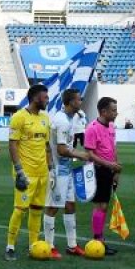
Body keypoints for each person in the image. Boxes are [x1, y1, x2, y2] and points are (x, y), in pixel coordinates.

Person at [6, 84, 52, 260]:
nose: (47, 100)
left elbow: (46, 146)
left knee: (37, 209)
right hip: (25, 173)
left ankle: (34, 245)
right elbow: (12, 144)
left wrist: (51, 168)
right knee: (20, 210)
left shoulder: (45, 118)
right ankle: (10, 246)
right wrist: (19, 171)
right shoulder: (18, 117)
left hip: (42, 173)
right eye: (45, 97)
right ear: (35, 98)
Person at [44, 88, 90, 257]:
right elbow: (62, 150)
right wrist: (81, 154)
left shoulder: (72, 118)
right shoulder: (62, 121)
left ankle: (72, 245)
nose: (81, 102)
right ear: (71, 102)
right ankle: (48, 246)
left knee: (70, 205)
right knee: (53, 207)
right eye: (78, 99)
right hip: (58, 171)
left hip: (67, 170)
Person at [84, 96, 120, 255]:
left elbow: (113, 148)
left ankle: (99, 239)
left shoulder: (111, 126)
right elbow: (89, 154)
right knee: (100, 205)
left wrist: (116, 169)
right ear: (103, 111)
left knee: (104, 206)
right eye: (113, 110)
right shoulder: (92, 128)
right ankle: (98, 240)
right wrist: (109, 165)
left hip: (109, 170)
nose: (116, 113)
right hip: (98, 170)